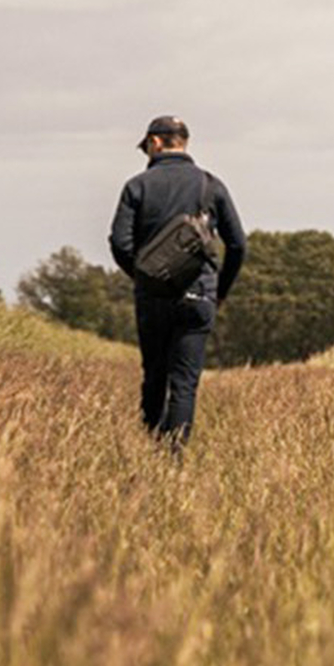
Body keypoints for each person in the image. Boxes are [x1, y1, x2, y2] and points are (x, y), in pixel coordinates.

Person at [109, 115, 247, 447]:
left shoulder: (137, 186)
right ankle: (173, 461)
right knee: (184, 383)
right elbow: (238, 244)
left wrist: (146, 277)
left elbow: (119, 244)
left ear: (156, 142)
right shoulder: (210, 185)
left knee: (154, 376)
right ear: (183, 142)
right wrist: (219, 292)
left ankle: (151, 445)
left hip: (153, 298)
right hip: (199, 295)